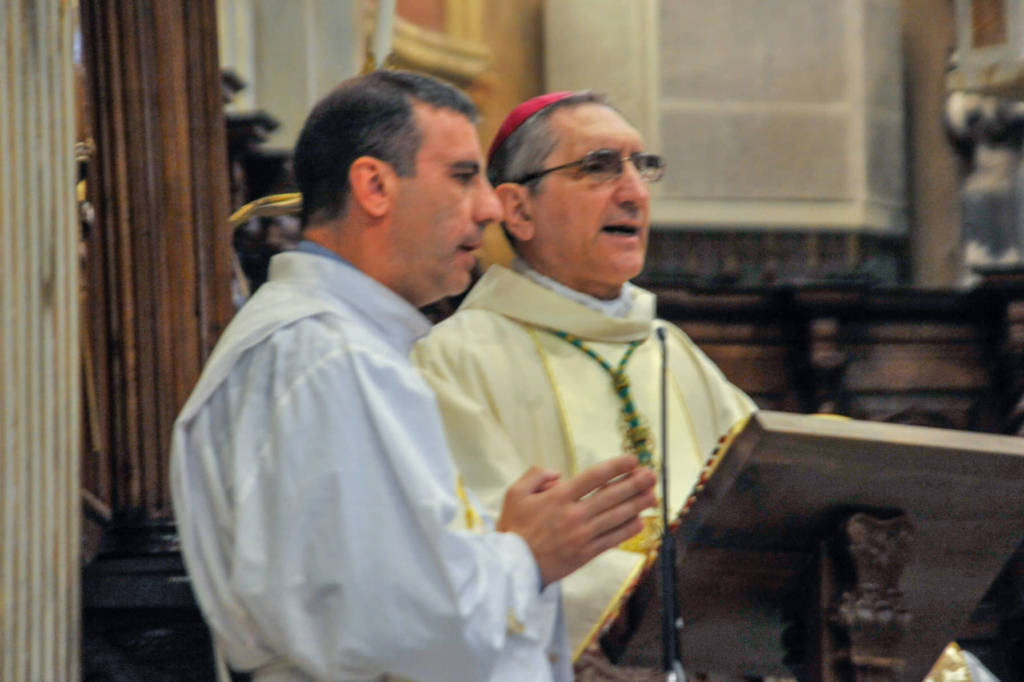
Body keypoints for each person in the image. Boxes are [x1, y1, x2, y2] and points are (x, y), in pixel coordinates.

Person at [170, 72, 658, 682]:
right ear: (374, 187)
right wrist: (528, 555)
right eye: (462, 176)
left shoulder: (332, 347)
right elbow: (393, 626)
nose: (488, 207)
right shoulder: (329, 361)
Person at [410, 91, 757, 668]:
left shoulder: (672, 351)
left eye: (642, 167)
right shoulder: (455, 360)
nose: (634, 192)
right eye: (599, 167)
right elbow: (477, 549)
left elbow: (766, 503)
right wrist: (656, 610)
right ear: (518, 210)